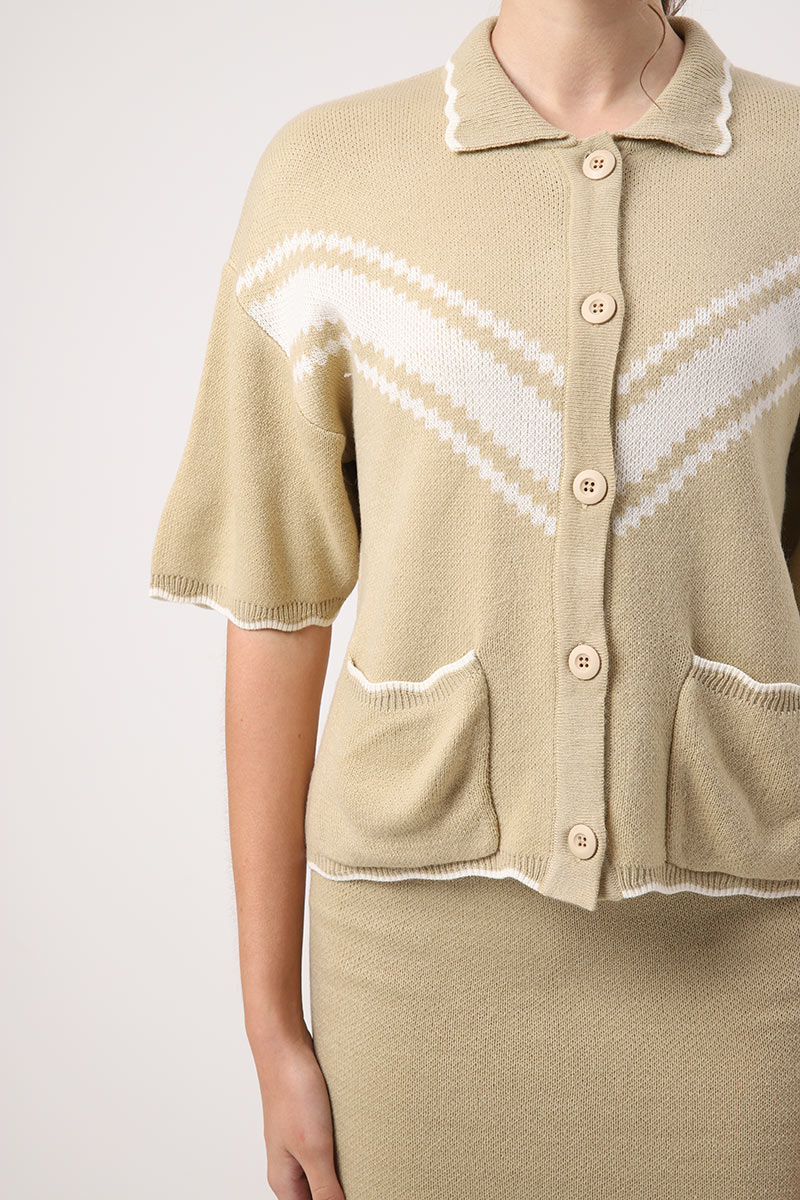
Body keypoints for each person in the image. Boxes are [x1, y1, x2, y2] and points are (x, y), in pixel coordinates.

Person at [148, 0, 800, 1195]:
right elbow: (275, 607)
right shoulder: (327, 175)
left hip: (750, 946)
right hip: (411, 961)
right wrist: (268, 1022)